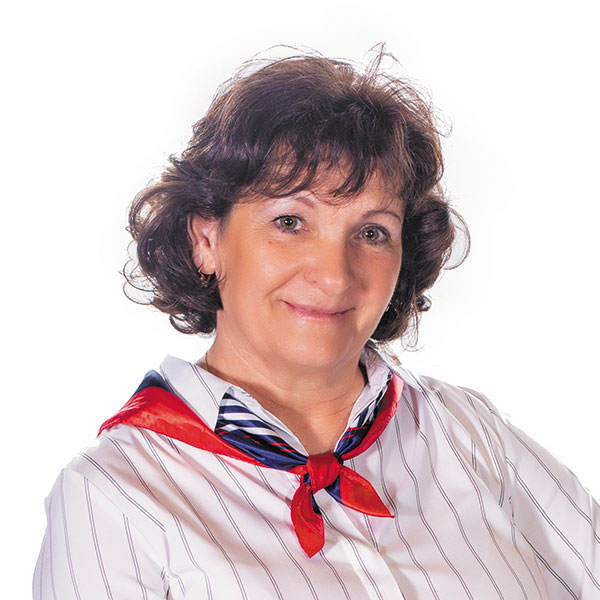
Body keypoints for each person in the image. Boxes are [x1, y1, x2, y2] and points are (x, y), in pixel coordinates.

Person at [33, 47, 600, 599]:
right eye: (290, 221)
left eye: (372, 232)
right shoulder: (113, 496)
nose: (334, 275)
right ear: (207, 239)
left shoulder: (470, 433)